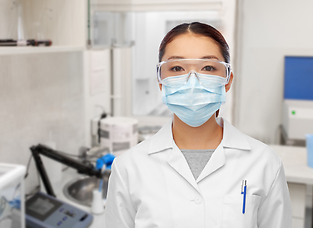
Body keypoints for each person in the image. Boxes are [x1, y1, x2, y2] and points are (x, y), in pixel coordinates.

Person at [105, 22, 292, 227]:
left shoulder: (264, 163)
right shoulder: (128, 168)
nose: (192, 82)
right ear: (160, 80)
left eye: (208, 68)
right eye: (177, 68)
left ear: (227, 79)